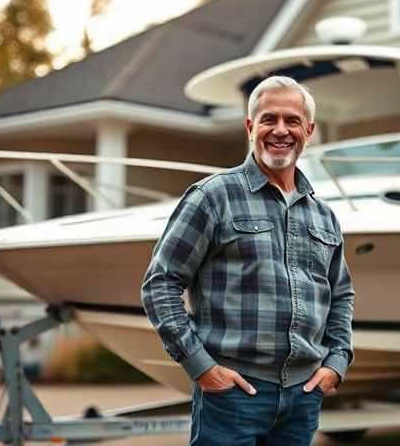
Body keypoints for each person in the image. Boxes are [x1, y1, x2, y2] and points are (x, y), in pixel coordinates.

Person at [141, 75, 355, 446]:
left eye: (292, 120)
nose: (281, 130)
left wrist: (336, 363)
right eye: (269, 119)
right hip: (232, 395)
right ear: (250, 126)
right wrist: (202, 369)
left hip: (303, 397)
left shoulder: (324, 216)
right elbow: (160, 284)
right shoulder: (213, 196)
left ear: (310, 130)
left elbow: (341, 296)